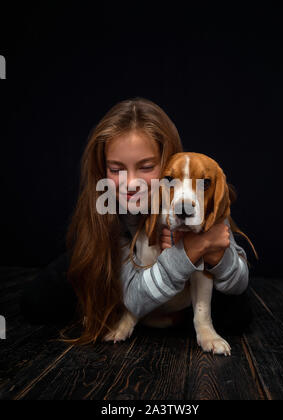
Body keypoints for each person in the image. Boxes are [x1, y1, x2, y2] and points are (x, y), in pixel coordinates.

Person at [20, 97, 253, 346]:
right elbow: (134, 297)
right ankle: (105, 303)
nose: (132, 184)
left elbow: (238, 282)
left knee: (237, 312)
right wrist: (191, 249)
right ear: (102, 171)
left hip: (173, 291)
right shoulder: (109, 209)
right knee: (39, 301)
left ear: (168, 161)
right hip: (115, 251)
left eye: (146, 166)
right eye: (116, 169)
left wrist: (216, 252)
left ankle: (169, 313)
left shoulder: (196, 195)